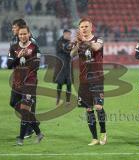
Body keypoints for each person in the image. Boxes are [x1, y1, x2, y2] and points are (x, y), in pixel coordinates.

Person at [71, 18, 107, 146]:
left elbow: (97, 47)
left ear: (91, 27)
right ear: (79, 29)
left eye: (86, 26)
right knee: (88, 109)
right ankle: (94, 138)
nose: (84, 29)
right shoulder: (78, 42)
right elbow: (71, 53)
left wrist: (85, 41)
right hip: (83, 79)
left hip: (97, 78)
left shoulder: (98, 39)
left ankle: (103, 132)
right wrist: (77, 44)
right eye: (82, 27)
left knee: (98, 106)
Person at [7, 25, 44, 146]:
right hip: (17, 82)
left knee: (24, 108)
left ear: (29, 34)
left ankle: (20, 139)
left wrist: (26, 56)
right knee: (13, 103)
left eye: (24, 34)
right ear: (18, 36)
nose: (22, 36)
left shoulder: (34, 48)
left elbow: (36, 66)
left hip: (29, 82)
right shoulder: (13, 48)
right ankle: (38, 131)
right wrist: (18, 57)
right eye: (20, 34)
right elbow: (9, 64)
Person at [54, 29, 73, 105]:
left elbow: (72, 53)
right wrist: (70, 46)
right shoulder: (59, 42)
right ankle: (58, 98)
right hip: (61, 66)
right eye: (68, 34)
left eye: (70, 34)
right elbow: (64, 50)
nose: (69, 36)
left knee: (69, 84)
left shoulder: (70, 43)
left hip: (68, 66)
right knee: (60, 83)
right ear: (64, 34)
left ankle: (68, 101)